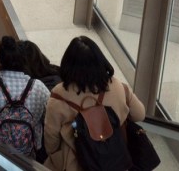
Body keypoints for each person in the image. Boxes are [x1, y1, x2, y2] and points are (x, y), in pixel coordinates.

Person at [43, 36, 145, 171]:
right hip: (115, 160)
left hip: (76, 163)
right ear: (100, 60)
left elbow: (51, 139)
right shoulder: (117, 86)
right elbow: (139, 115)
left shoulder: (59, 95)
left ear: (68, 64)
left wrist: (56, 156)